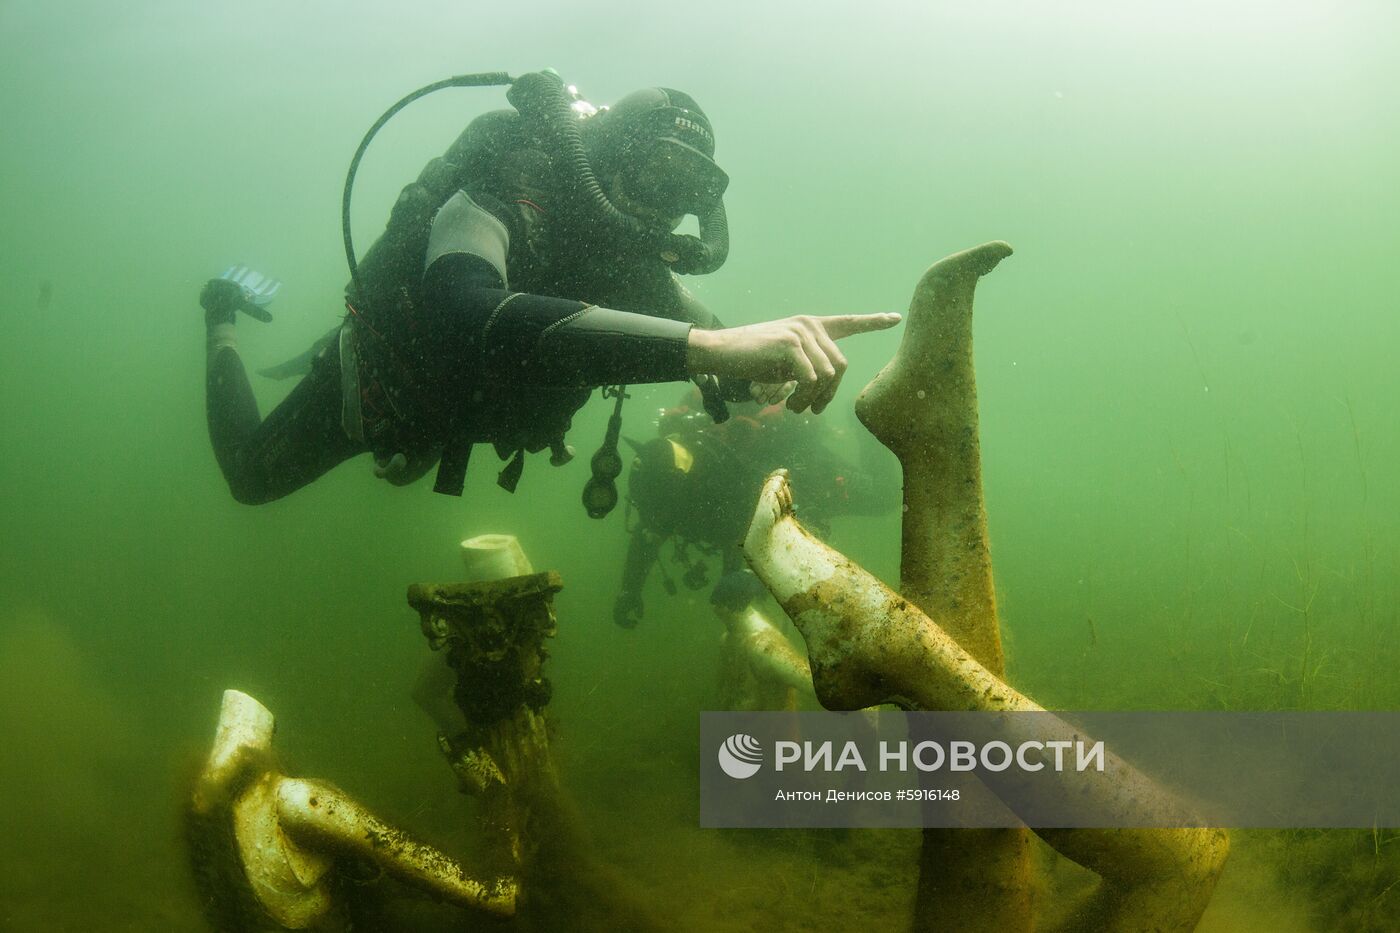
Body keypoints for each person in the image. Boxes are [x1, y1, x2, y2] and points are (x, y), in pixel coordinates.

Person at [202, 74, 898, 505]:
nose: (668, 207)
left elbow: (716, 348)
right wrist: (711, 346)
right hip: (380, 389)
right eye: (660, 175)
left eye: (690, 192)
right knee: (248, 478)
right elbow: (463, 308)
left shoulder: (630, 265)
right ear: (610, 155)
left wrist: (761, 372)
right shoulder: (507, 188)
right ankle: (221, 317)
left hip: (460, 414)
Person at [613, 388, 900, 627]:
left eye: (660, 515)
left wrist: (754, 578)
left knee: (886, 494)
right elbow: (648, 534)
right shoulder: (666, 497)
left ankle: (863, 415)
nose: (659, 523)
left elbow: (801, 523)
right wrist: (630, 589)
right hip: (748, 493)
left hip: (805, 476)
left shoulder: (724, 481)